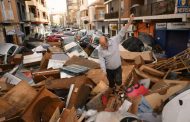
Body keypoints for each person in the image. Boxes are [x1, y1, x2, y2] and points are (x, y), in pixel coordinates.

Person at [98, 14, 134, 91]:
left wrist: (130, 20)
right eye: (101, 45)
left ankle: (119, 92)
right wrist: (104, 71)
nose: (103, 46)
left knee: (118, 82)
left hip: (117, 68)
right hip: (108, 70)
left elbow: (122, 31)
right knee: (111, 84)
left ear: (107, 41)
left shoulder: (114, 40)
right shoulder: (100, 49)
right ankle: (113, 91)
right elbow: (101, 61)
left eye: (104, 44)